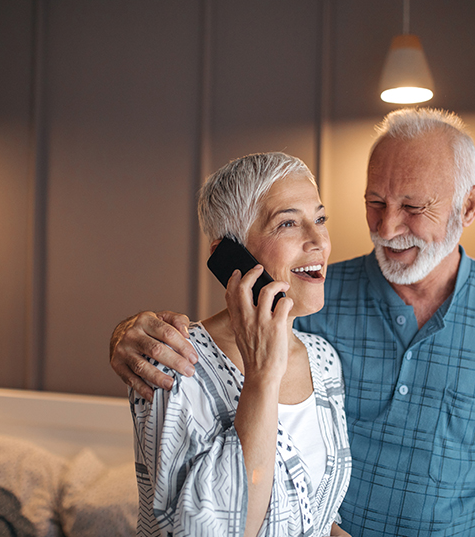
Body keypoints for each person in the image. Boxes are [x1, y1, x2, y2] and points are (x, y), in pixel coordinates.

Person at [113, 109, 475, 537]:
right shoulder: (305, 303)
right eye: (375, 202)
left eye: (413, 207)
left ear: (469, 206)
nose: (388, 228)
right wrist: (124, 336)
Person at [129, 152, 352, 537]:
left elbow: (315, 516)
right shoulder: (174, 365)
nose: (319, 241)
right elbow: (215, 529)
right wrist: (262, 377)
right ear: (230, 256)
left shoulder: (323, 359)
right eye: (287, 223)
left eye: (319, 219)